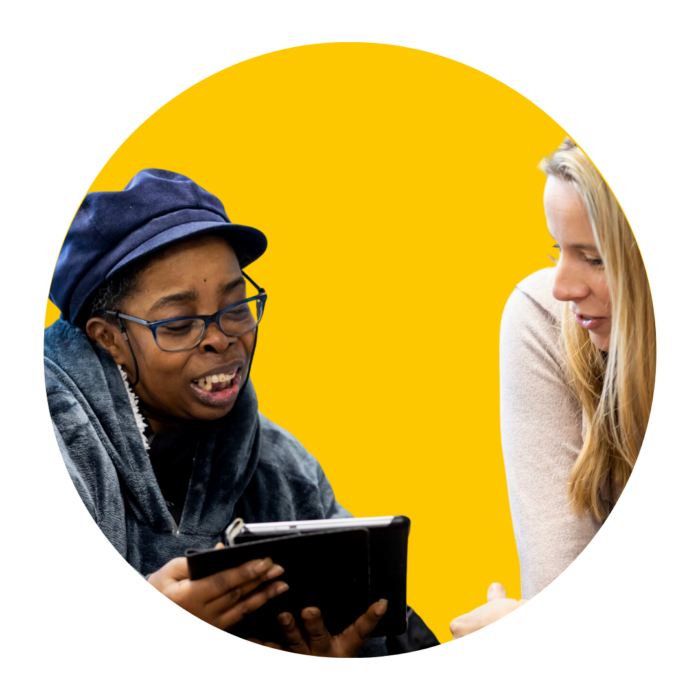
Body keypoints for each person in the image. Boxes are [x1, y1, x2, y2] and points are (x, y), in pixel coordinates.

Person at [43, 168, 438, 658]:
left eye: (235, 306)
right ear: (109, 340)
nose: (221, 337)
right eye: (181, 321)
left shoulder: (282, 468)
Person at [450, 137, 668, 643]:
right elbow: (560, 593)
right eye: (558, 250)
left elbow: (561, 627)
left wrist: (533, 631)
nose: (564, 286)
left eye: (594, 259)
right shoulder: (544, 321)